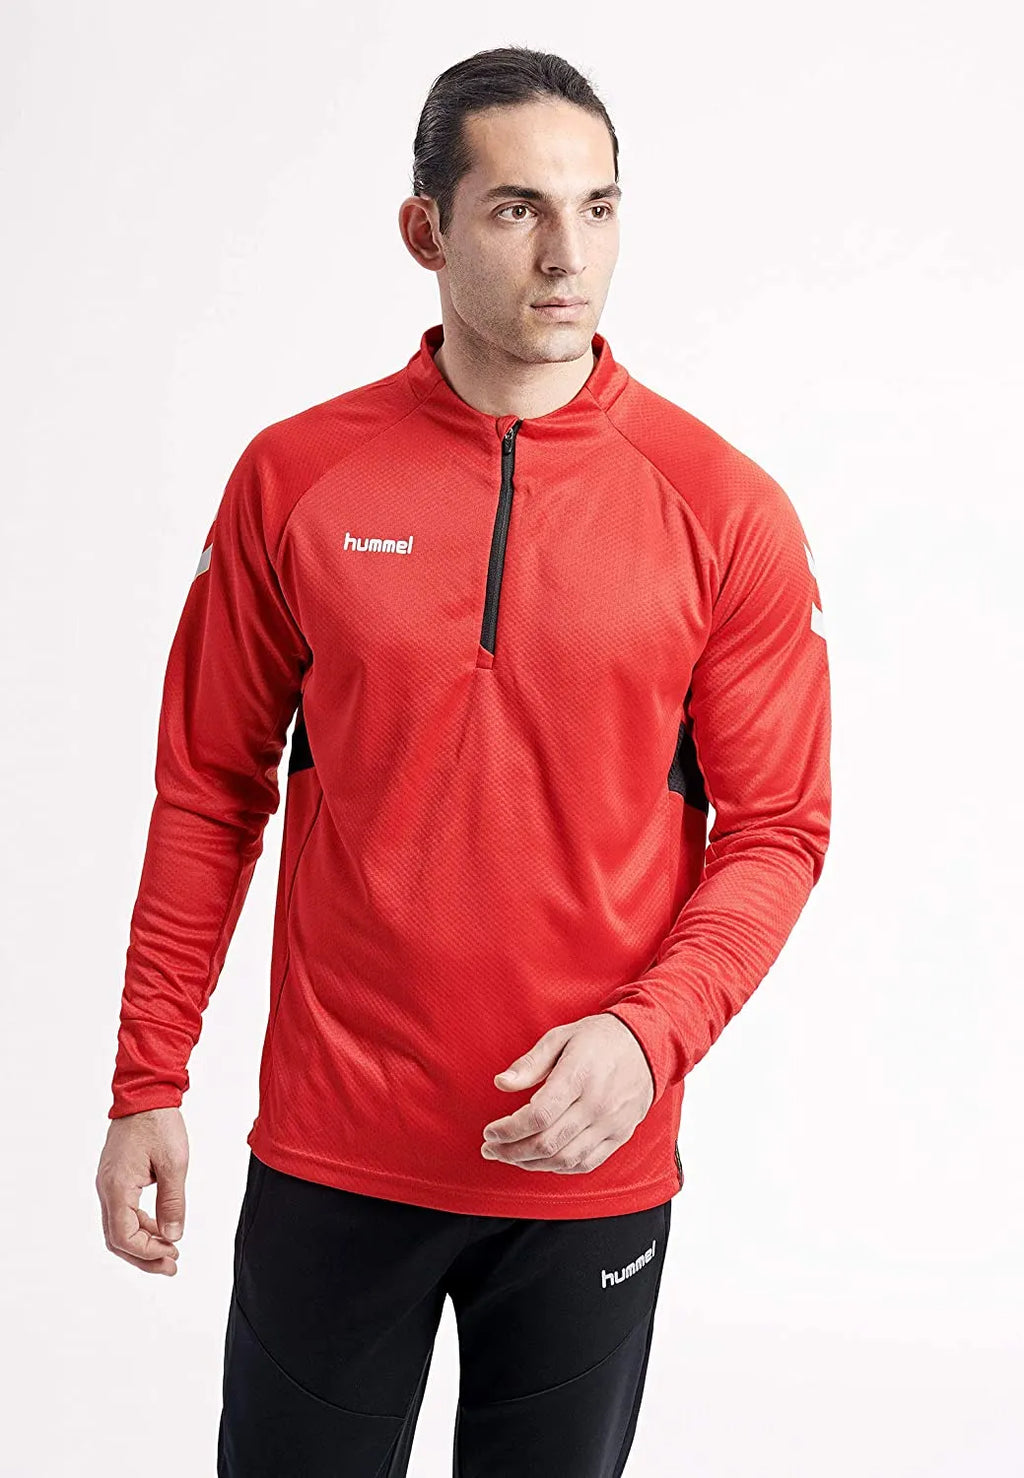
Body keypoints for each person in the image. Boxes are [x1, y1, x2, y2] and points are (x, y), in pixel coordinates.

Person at [95, 44, 832, 1478]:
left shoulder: (724, 509)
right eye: (517, 209)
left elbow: (779, 829)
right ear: (423, 230)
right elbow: (207, 792)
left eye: (598, 207)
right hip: (335, 1151)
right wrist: (146, 1077)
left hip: (588, 1160)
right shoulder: (296, 478)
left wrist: (650, 1034)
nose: (569, 255)